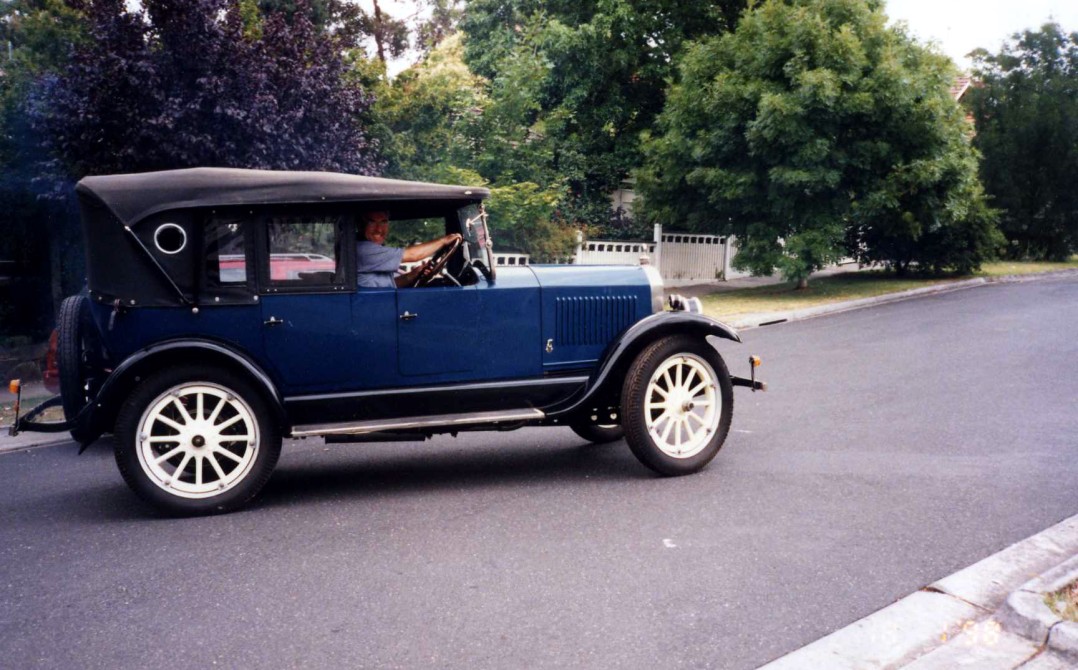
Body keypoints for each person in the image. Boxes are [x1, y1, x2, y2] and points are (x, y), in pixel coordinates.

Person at [356, 211, 462, 288]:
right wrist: (443, 241)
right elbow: (413, 255)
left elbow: (391, 284)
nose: (379, 229)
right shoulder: (362, 250)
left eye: (384, 222)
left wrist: (413, 274)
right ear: (360, 225)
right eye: (372, 222)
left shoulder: (373, 251)